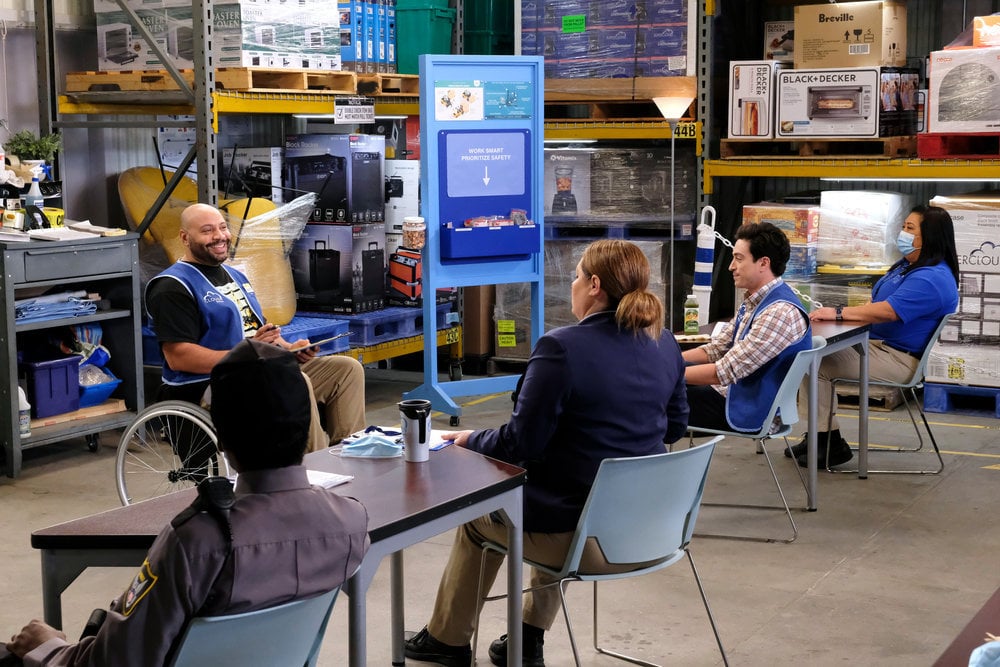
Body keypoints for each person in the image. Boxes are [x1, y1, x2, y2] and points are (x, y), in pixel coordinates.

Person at [403, 239, 689, 667]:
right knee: (563, 496)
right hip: (651, 531)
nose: (572, 284)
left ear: (595, 285)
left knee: (482, 517)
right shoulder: (664, 343)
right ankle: (527, 638)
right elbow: (677, 427)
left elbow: (520, 444)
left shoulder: (562, 347)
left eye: (576, 276)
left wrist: (467, 439)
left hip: (581, 542)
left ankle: (447, 640)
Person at [4, 339, 370, 666]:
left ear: (220, 438)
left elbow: (117, 659)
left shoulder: (195, 544)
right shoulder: (351, 525)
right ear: (307, 425)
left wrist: (48, 648)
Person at [146, 202, 366, 450]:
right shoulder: (172, 287)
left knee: (346, 370)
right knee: (293, 380)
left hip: (255, 372)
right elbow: (179, 358)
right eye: (207, 230)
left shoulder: (235, 276)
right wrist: (247, 354)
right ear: (185, 238)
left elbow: (260, 335)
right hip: (209, 385)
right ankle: (311, 467)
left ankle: (350, 455)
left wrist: (290, 349)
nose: (219, 236)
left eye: (222, 228)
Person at [788, 204, 960, 468]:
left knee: (814, 364)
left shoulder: (931, 278)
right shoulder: (908, 265)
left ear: (930, 237)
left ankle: (827, 442)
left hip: (899, 358)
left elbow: (888, 311)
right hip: (877, 345)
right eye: (903, 226)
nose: (903, 233)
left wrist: (838, 313)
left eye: (910, 228)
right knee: (811, 354)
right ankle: (817, 435)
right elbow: (875, 302)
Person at [683, 221, 811, 435]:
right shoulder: (756, 301)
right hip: (736, 393)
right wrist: (670, 361)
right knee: (662, 383)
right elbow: (717, 349)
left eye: (739, 258)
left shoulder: (778, 313)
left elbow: (725, 372)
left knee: (653, 398)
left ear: (763, 263)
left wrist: (666, 373)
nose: (731, 266)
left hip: (749, 409)